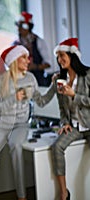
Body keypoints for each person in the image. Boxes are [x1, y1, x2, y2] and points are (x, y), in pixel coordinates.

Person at [0, 45, 55, 200]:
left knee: (16, 147)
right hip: (0, 125)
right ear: (14, 60)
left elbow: (41, 102)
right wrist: (13, 98)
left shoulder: (30, 78)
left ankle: (21, 196)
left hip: (20, 125)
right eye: (24, 57)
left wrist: (53, 87)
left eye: (28, 57)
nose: (28, 60)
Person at [51, 38, 90, 200]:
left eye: (62, 56)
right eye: (58, 57)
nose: (60, 60)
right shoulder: (60, 80)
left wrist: (74, 95)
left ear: (72, 55)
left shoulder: (88, 75)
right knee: (57, 147)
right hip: (74, 127)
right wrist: (64, 122)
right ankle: (64, 193)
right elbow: (62, 109)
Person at [13, 11, 52, 87]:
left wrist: (35, 67)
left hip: (37, 82)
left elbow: (48, 64)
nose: (19, 29)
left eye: (22, 26)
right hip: (20, 83)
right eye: (18, 25)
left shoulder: (39, 42)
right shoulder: (15, 43)